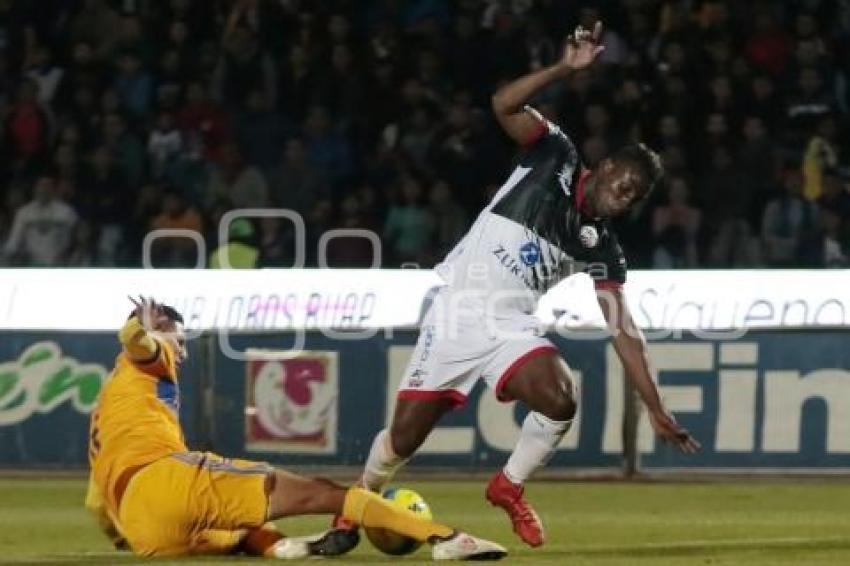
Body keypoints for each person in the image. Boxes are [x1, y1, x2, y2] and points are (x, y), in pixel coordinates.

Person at [330, 21, 700, 552]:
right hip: (458, 310)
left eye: (635, 196)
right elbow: (502, 104)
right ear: (605, 166)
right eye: (623, 183)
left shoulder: (601, 247)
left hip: (511, 325)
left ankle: (509, 486)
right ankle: (356, 505)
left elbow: (624, 331)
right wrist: (562, 70)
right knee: (404, 439)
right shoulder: (555, 155)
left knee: (561, 395)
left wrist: (656, 407)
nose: (625, 197)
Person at [86, 297, 506, 560]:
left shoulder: (107, 405)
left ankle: (286, 547)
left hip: (144, 532)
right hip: (163, 479)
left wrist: (125, 539)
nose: (181, 350)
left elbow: (95, 505)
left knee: (236, 530)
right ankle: (446, 538)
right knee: (324, 492)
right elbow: (137, 342)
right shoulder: (148, 359)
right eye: (178, 339)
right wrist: (143, 329)